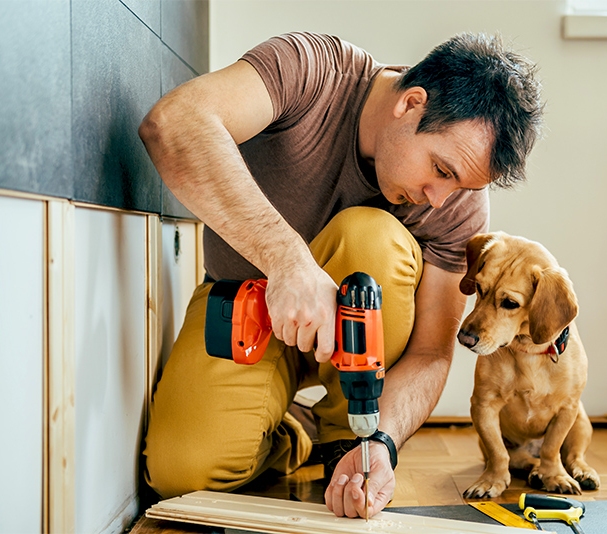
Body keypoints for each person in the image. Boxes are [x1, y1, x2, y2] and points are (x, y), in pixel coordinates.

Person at [138, 31, 542, 519]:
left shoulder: (458, 203)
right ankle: (295, 430)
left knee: (371, 236)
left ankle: (348, 435)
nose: (440, 198)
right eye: (440, 168)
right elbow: (174, 122)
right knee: (182, 475)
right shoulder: (311, 70)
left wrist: (385, 442)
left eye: (459, 185)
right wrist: (288, 262)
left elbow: (432, 352)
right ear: (412, 103)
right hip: (246, 303)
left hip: (360, 355)